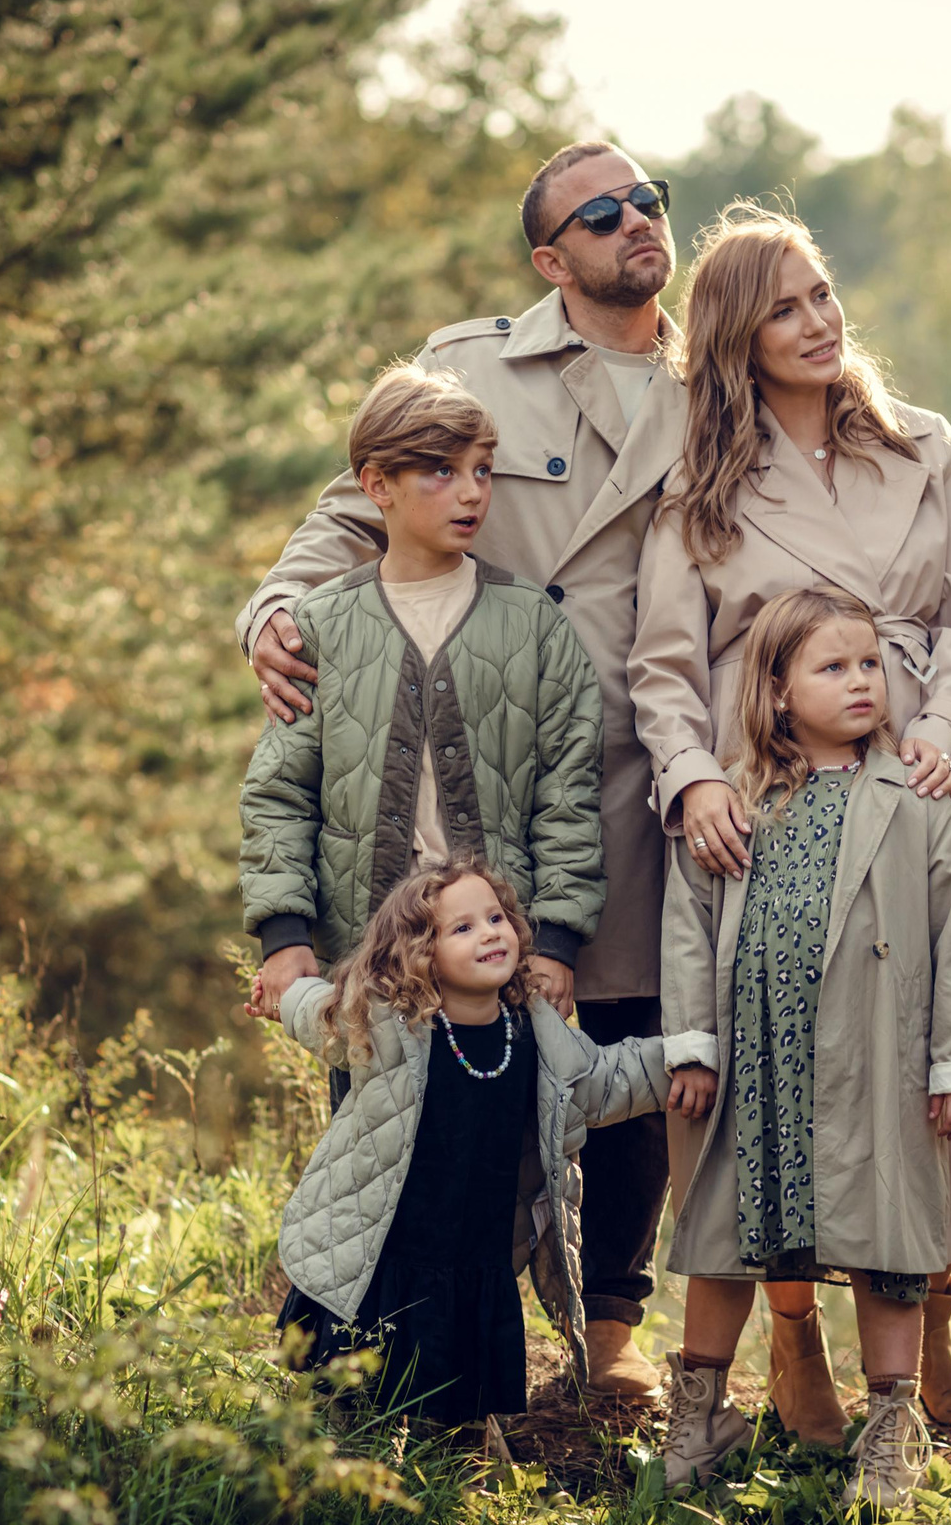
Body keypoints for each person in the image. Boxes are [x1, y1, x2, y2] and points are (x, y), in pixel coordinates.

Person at [237, 142, 684, 1400]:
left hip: (639, 764)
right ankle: (397, 1332)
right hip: (480, 760)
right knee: (416, 1071)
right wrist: (272, 614)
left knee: (620, 1036)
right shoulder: (475, 367)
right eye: (602, 212)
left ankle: (610, 1328)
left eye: (649, 199)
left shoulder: (714, 381)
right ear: (551, 258)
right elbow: (348, 511)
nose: (637, 220)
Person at [630, 204, 951, 1442]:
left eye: (821, 293)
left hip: (907, 781)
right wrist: (693, 779)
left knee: (915, 1054)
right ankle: (793, 1337)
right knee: (777, 1064)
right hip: (762, 785)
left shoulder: (925, 445)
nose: (817, 322)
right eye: (783, 310)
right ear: (735, 340)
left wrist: (943, 732)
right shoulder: (701, 484)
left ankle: (928, 1351)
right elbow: (662, 663)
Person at [656, 587, 951, 1509]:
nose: (862, 680)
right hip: (759, 1064)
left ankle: (891, 1430)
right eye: (834, 667)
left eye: (870, 663)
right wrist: (693, 1045)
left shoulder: (920, 795)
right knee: (728, 1231)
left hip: (877, 1061)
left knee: (889, 1237)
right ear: (778, 689)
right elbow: (688, 926)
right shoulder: (731, 799)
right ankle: (698, 1421)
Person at [271, 857, 712, 1425]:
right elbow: (319, 1013)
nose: (489, 933)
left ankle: (457, 1453)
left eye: (496, 918)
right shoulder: (387, 1023)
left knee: (458, 1399)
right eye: (463, 927)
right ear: (419, 951)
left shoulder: (534, 1031)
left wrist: (680, 1059)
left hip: (479, 1249)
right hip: (387, 1247)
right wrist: (278, 998)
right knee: (354, 1392)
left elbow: (604, 1080)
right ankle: (342, 1443)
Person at [238, 365, 603, 1036]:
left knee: (508, 1107)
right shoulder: (321, 627)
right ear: (377, 484)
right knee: (377, 1109)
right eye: (442, 471)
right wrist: (283, 935)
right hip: (365, 967)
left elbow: (568, 796)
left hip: (504, 967)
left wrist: (556, 941)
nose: (471, 492)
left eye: (482, 470)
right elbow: (280, 795)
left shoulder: (533, 624)